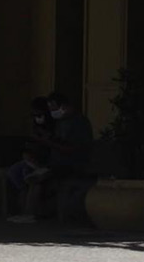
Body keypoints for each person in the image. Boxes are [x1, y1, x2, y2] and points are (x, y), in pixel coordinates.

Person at [9, 91, 93, 222]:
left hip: (71, 164)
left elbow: (71, 148)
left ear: (64, 106)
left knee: (36, 179)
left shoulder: (79, 123)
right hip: (54, 163)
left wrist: (48, 142)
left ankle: (30, 214)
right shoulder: (61, 122)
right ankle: (26, 211)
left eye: (54, 109)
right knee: (25, 173)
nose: (52, 112)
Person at [6, 98, 53, 214]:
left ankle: (29, 212)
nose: (37, 117)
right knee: (14, 172)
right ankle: (22, 208)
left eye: (39, 114)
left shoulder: (54, 126)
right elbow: (31, 144)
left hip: (48, 160)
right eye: (34, 115)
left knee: (30, 176)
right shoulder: (35, 126)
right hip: (33, 159)